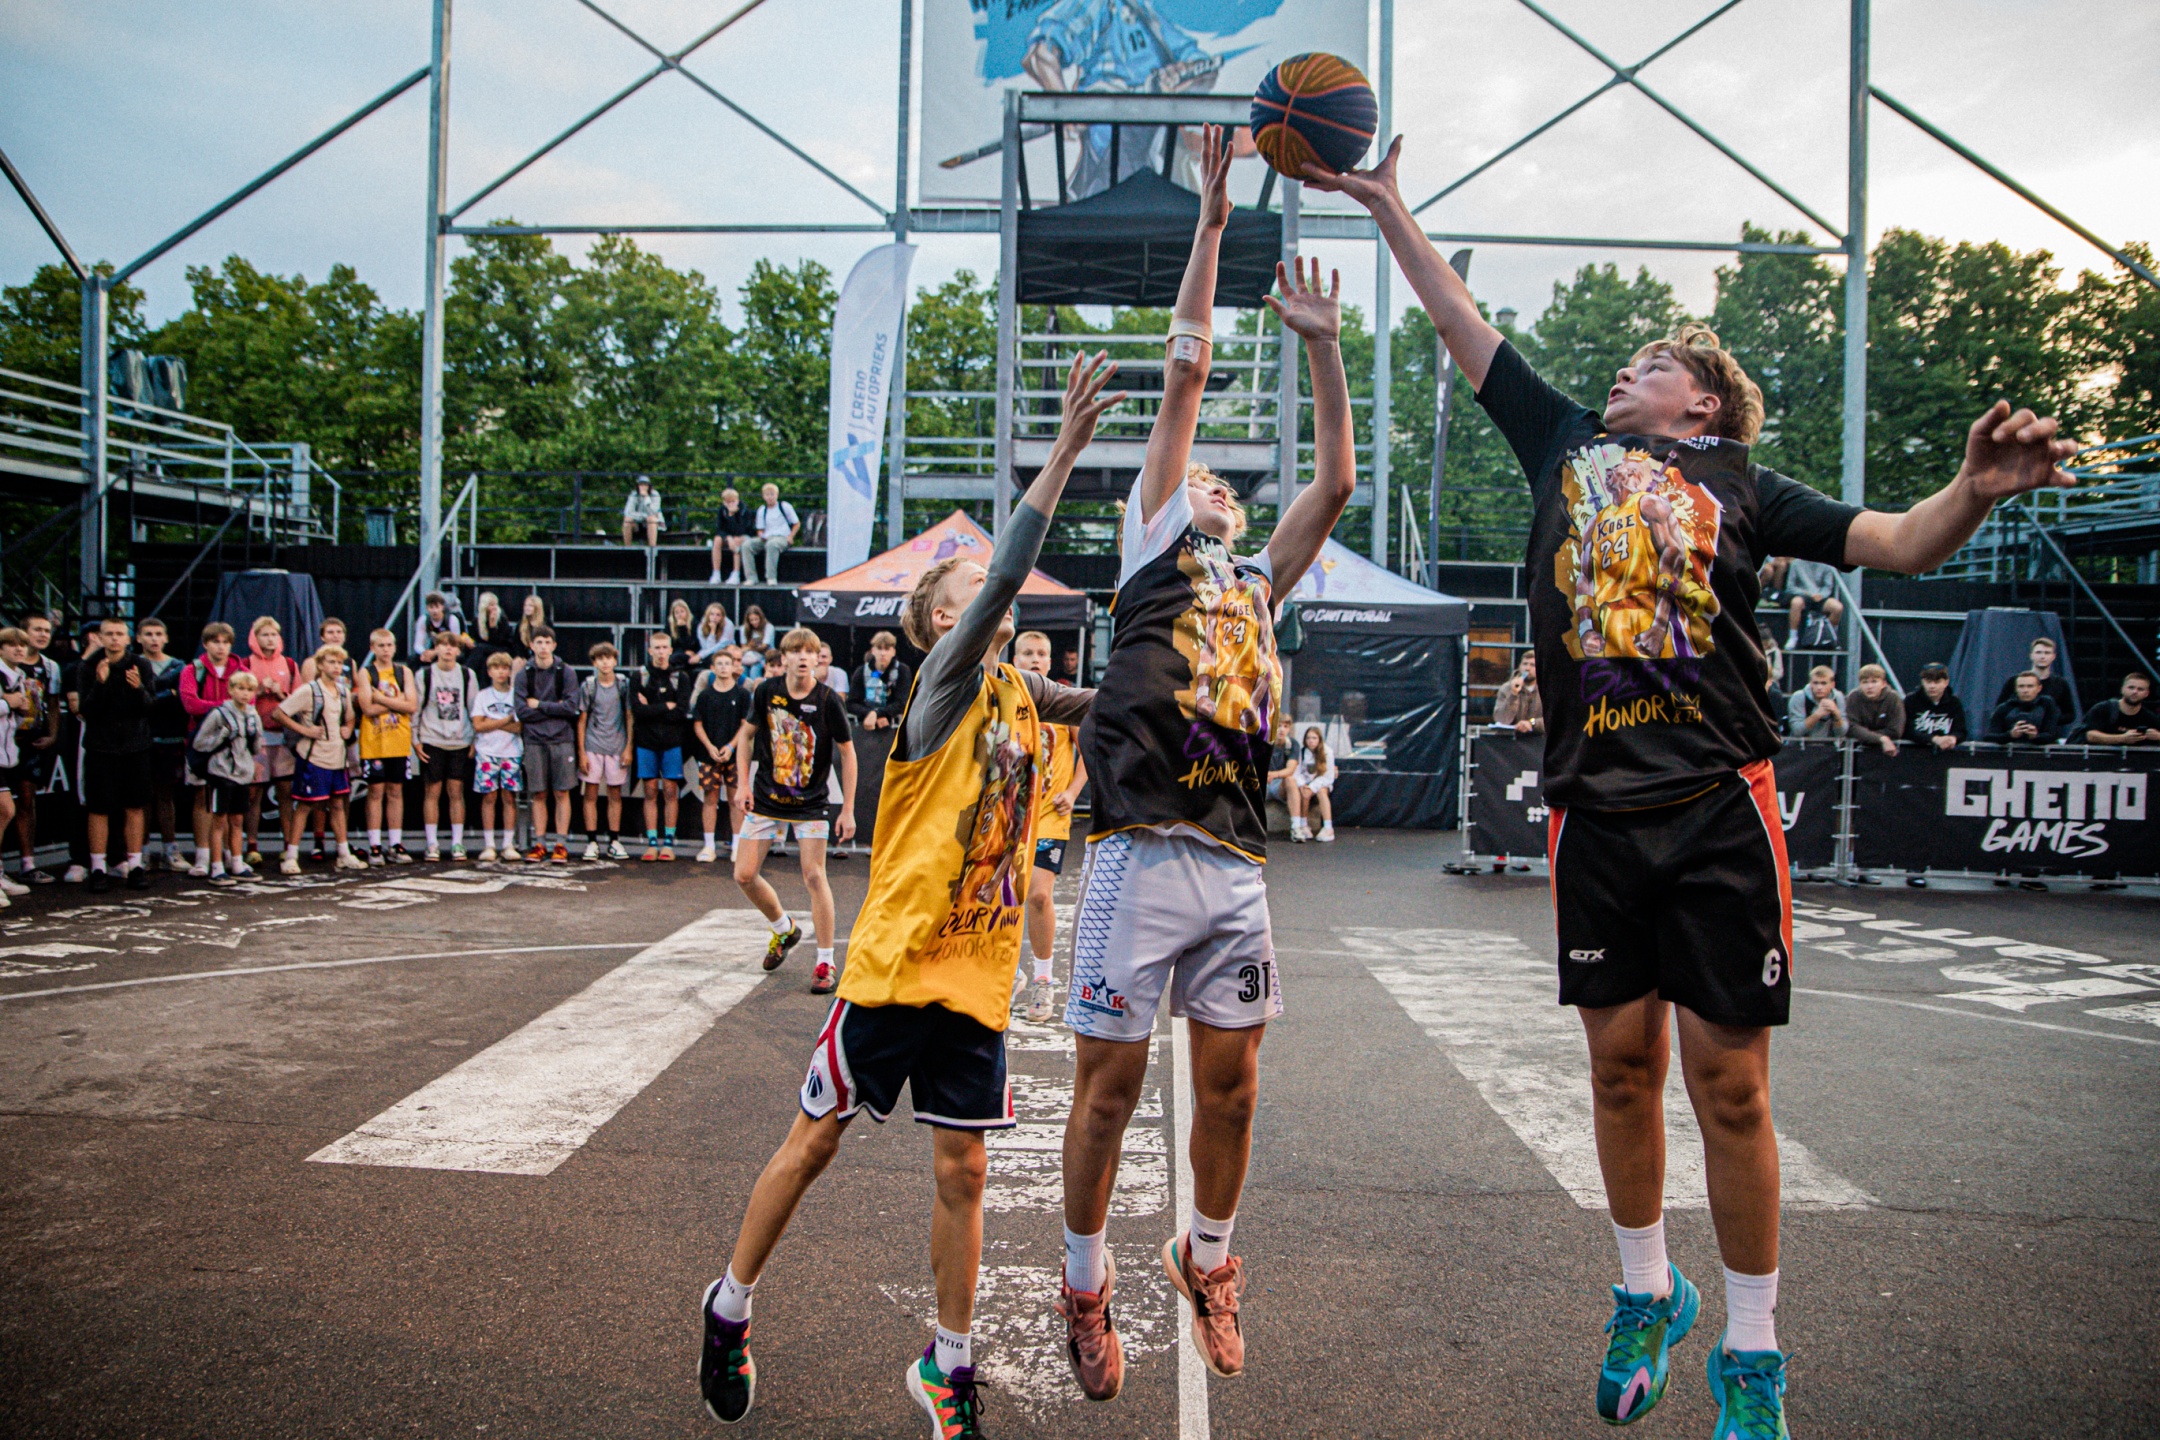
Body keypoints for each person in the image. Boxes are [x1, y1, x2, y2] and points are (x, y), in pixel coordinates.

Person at [1311, 126, 2078, 1436]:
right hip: (1597, 814)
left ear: (1703, 405)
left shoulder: (1747, 487)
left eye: (1654, 361)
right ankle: (1645, 1291)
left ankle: (1755, 1352)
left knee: (1730, 1085)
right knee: (1620, 1068)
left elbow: (1899, 542)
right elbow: (1456, 323)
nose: (1626, 367)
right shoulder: (1561, 442)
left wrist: (1972, 488)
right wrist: (1385, 203)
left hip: (1720, 805)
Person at [694, 350, 1113, 1436]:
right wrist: (1066, 451)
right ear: (940, 619)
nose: (986, 586)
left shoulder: (1019, 689)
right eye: (966, 585)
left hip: (971, 976)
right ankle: (729, 1304)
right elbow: (1009, 577)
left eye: (980, 578)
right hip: (894, 968)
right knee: (815, 1143)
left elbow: (1108, 699)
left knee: (965, 1168)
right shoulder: (942, 682)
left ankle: (949, 1365)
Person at [1055, 129, 1354, 1401]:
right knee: (1110, 1091)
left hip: (1232, 855)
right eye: (1207, 482)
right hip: (1138, 845)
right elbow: (1184, 371)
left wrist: (1324, 346)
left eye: (1230, 486)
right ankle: (1083, 1281)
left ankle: (1208, 1257)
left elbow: (1335, 481)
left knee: (1231, 1088)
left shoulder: (1257, 581)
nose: (1218, 488)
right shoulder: (1150, 544)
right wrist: (1216, 225)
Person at [729, 627, 857, 993]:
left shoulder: (828, 699)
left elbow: (848, 754)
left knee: (814, 876)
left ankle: (825, 962)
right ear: (782, 658)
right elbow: (746, 736)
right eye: (796, 652)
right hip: (766, 797)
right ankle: (785, 930)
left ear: (818, 658)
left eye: (809, 652)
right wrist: (742, 784)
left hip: (810, 803)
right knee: (744, 875)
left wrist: (848, 808)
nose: (803, 657)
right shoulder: (766, 692)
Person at [1013, 629, 1087, 1023]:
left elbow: (1089, 750)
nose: (1035, 659)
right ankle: (1011, 974)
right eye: (1028, 653)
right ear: (1015, 659)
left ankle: (1044, 980)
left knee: (1039, 895)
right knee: (1002, 896)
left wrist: (1073, 792)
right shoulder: (1006, 698)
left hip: (1050, 815)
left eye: (1042, 653)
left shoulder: (1062, 699)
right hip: (1011, 815)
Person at [74, 617, 156, 893]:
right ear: (100, 637)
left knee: (135, 806)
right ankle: (98, 867)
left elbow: (150, 706)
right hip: (101, 747)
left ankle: (135, 865)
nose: (114, 639)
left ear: (128, 638)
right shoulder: (88, 666)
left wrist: (138, 688)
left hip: (135, 746)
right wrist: (100, 683)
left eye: (119, 634)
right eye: (108, 634)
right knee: (98, 808)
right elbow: (85, 710)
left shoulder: (140, 664)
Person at [276, 643, 364, 874]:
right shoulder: (309, 690)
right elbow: (279, 713)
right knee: (305, 805)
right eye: (331, 662)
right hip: (313, 757)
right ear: (320, 665)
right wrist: (304, 730)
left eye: (339, 663)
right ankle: (291, 856)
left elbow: (350, 718)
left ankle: (343, 854)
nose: (336, 667)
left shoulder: (343, 691)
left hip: (338, 758)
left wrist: (348, 728)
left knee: (337, 804)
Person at [187, 668, 263, 885]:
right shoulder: (219, 714)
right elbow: (199, 743)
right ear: (230, 690)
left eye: (249, 690)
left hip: (243, 773)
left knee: (237, 820)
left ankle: (237, 863)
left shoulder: (253, 715)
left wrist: (254, 737)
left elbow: (256, 747)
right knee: (219, 820)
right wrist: (222, 736)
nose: (245, 693)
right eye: (240, 688)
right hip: (221, 773)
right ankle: (216, 867)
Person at [513, 625, 582, 862]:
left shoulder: (567, 672)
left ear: (554, 645)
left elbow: (571, 708)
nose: (543, 647)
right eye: (539, 642)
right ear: (531, 645)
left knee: (562, 792)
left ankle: (561, 844)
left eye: (547, 642)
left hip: (562, 739)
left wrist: (539, 705)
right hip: (534, 740)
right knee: (539, 793)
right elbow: (522, 712)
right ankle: (540, 843)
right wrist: (555, 708)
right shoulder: (523, 674)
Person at [178, 623, 241, 879]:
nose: (220, 647)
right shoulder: (192, 670)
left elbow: (248, 704)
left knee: (226, 803)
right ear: (205, 644)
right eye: (215, 642)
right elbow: (191, 704)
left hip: (232, 748)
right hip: (201, 745)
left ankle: (227, 855)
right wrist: (225, 706)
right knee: (202, 799)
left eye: (225, 642)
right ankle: (203, 857)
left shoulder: (241, 671)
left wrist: (216, 707)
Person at [354, 628, 419, 865]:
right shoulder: (366, 673)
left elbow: (411, 706)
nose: (386, 650)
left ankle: (395, 843)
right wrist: (396, 702)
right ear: (373, 648)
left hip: (398, 741)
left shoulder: (403, 672)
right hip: (375, 742)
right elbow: (367, 708)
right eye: (381, 646)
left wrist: (381, 698)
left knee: (395, 792)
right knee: (375, 792)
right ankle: (374, 845)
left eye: (389, 645)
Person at [243, 617, 304, 866]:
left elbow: (300, 700)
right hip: (256, 737)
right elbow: (235, 697)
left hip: (283, 737)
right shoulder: (246, 664)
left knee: (286, 793)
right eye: (264, 635)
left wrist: (282, 694)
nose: (269, 639)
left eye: (273, 635)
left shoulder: (289, 664)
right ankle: (252, 846)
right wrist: (257, 691)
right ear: (255, 638)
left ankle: (288, 846)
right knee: (253, 794)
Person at [631, 631, 696, 859]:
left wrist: (651, 708)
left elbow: (681, 712)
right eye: (656, 648)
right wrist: (665, 706)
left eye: (664, 648)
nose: (660, 652)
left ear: (670, 650)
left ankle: (668, 843)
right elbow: (637, 711)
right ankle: (651, 843)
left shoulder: (681, 678)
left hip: (671, 742)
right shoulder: (639, 676)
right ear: (650, 650)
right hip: (646, 742)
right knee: (649, 791)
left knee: (670, 791)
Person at [8, 613, 62, 884]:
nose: (42, 635)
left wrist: (52, 735)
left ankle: (28, 864)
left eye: (47, 630)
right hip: (6, 740)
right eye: (37, 630)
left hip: (32, 742)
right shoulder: (7, 664)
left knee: (27, 801)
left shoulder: (50, 667)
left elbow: (53, 703)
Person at [415, 634, 479, 861]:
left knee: (456, 791)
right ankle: (432, 843)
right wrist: (415, 740)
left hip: (460, 740)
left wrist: (475, 740)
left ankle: (457, 843)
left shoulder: (467, 675)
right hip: (432, 739)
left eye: (453, 646)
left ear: (459, 651)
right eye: (443, 645)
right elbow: (416, 710)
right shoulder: (424, 675)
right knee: (432, 791)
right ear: (436, 648)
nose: (448, 650)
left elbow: (474, 709)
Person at [578, 642, 636, 861]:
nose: (605, 662)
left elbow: (629, 716)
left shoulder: (623, 685)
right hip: (593, 746)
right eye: (600, 659)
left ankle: (614, 840)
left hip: (617, 747)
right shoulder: (589, 686)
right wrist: (582, 752)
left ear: (615, 660)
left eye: (608, 658)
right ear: (594, 662)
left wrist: (628, 747)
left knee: (615, 794)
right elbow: (582, 720)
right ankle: (592, 842)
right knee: (590, 794)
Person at [692, 648, 751, 863]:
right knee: (710, 799)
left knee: (736, 800)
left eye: (728, 663)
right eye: (720, 664)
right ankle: (709, 846)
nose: (724, 667)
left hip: (735, 757)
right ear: (712, 668)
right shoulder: (705, 695)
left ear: (734, 666)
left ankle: (737, 846)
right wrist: (710, 747)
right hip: (709, 756)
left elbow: (745, 725)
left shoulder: (742, 694)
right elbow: (697, 724)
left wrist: (731, 747)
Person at [137, 618, 186, 869]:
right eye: (148, 634)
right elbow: (137, 702)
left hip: (170, 739)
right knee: (142, 798)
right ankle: (141, 852)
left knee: (165, 796)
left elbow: (180, 700)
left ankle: (171, 850)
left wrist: (151, 694)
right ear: (138, 638)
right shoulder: (132, 664)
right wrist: (166, 694)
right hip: (140, 740)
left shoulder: (178, 666)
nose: (154, 639)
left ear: (166, 638)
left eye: (158, 634)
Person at [472, 652, 524, 861]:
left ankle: (508, 844)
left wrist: (491, 722)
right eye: (496, 668)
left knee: (509, 797)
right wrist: (506, 720)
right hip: (487, 752)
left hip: (511, 752)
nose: (501, 672)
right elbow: (478, 725)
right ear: (489, 671)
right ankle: (489, 844)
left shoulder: (516, 696)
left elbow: (519, 727)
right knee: (489, 797)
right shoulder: (483, 696)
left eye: (505, 668)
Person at [0, 629, 35, 903]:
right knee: (6, 809)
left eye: (22, 645)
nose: (18, 649)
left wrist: (22, 709)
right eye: (11, 645)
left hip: (7, 757)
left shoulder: (20, 676)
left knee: (5, 811)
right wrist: (6, 703)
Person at [1994, 636, 2077, 741]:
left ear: (2053, 656)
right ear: (2031, 655)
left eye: (2047, 653)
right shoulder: (2014, 681)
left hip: (2046, 739)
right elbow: (1999, 709)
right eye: (2038, 652)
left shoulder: (2060, 684)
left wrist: (2046, 720)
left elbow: (2070, 714)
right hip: (2015, 737)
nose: (2042, 656)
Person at [848, 630, 911, 732]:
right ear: (873, 650)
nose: (882, 653)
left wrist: (878, 714)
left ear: (893, 652)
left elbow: (902, 703)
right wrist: (870, 713)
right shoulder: (862, 671)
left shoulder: (902, 670)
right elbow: (851, 703)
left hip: (894, 725)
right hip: (866, 725)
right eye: (879, 648)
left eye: (887, 649)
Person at [1285, 724, 1337, 843]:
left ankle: (1328, 828)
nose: (1311, 741)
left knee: (1321, 792)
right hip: (1306, 783)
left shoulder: (1327, 752)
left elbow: (1328, 777)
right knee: (1303, 792)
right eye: (1308, 738)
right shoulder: (1302, 752)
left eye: (1314, 738)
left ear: (1319, 739)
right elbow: (1297, 772)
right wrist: (1303, 785)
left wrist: (1313, 787)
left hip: (1322, 783)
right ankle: (1303, 825)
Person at [1778, 556, 1843, 649]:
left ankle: (1827, 636)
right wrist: (1807, 594)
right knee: (1796, 602)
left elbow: (1828, 586)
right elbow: (1790, 587)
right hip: (1802, 595)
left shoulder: (1827, 564)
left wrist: (1821, 595)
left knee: (1837, 607)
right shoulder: (1796, 563)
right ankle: (1793, 637)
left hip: (1819, 596)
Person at [2078, 672, 2160, 745]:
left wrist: (2158, 736)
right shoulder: (2103, 709)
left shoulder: (2150, 718)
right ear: (2122, 689)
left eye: (2140, 689)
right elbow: (2089, 735)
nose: (2135, 692)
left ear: (2147, 693)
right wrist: (2122, 738)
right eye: (2131, 687)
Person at [1843, 663, 1906, 757]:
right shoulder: (1853, 697)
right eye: (1865, 682)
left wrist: (1866, 736)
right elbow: (1852, 727)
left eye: (1874, 682)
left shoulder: (1893, 698)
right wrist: (1881, 739)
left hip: (1889, 750)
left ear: (1883, 683)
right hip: (1858, 750)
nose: (1869, 686)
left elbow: (1895, 730)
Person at [1903, 662, 1966, 750]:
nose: (1932, 686)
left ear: (1946, 682)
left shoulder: (1954, 703)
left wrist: (1953, 738)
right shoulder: (1911, 701)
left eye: (1937, 682)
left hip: (1945, 753)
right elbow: (1907, 730)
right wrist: (1933, 739)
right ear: (1922, 682)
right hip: (1915, 752)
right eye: (1928, 682)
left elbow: (1961, 731)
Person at [744, 483, 799, 585]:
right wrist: (761, 536)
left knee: (772, 545)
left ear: (776, 495)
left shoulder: (784, 506)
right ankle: (751, 577)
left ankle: (771, 577)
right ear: (763, 496)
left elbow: (796, 523)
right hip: (767, 537)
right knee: (747, 545)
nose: (770, 497)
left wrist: (791, 536)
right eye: (767, 495)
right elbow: (760, 529)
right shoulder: (762, 510)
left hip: (782, 537)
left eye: (772, 494)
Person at [1987, 672, 2062, 744]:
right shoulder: (2004, 708)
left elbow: (2053, 734)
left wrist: (2036, 736)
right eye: (2021, 686)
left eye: (2030, 686)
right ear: (2015, 688)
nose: (2025, 690)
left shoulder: (2047, 705)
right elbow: (1989, 737)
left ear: (2039, 688)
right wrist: (2010, 735)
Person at [410, 592, 472, 662]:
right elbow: (418, 644)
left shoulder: (452, 619)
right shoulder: (423, 620)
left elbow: (455, 643)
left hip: (450, 650)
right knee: (413, 659)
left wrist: (436, 652)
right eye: (431, 607)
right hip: (434, 649)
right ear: (427, 608)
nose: (434, 611)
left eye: (437, 607)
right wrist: (425, 653)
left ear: (442, 607)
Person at [711, 487, 756, 583]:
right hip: (729, 537)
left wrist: (732, 515)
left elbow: (741, 530)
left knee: (737, 541)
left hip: (744, 536)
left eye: (733, 501)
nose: (731, 504)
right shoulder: (722, 510)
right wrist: (728, 537)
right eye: (728, 502)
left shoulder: (744, 510)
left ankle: (736, 573)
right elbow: (719, 529)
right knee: (717, 540)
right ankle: (716, 573)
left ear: (737, 500)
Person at [1788, 665, 1846, 738]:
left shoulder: (1838, 697)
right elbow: (1797, 731)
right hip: (1802, 744)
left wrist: (1836, 713)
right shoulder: (1799, 697)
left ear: (1832, 684)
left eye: (1824, 683)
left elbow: (1842, 733)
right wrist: (1817, 715)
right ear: (1810, 683)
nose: (1819, 687)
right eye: (1815, 683)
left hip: (1830, 743)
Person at [467, 591, 517, 674]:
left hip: (502, 648)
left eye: (496, 604)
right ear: (484, 606)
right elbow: (475, 638)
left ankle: (467, 672)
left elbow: (499, 641)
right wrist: (470, 642)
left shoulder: (502, 620)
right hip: (485, 650)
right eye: (491, 605)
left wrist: (492, 627)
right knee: (483, 659)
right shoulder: (476, 621)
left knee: (480, 648)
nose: (494, 607)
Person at [1494, 651, 1544, 733]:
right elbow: (1501, 720)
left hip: (1539, 737)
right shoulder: (1506, 688)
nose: (1527, 668)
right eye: (1525, 664)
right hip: (1511, 737)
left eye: (1533, 665)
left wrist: (1532, 723)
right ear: (1519, 666)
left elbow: (1556, 719)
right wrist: (1513, 695)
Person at [623, 474, 665, 547]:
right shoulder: (634, 495)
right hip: (638, 523)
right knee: (627, 520)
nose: (643, 487)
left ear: (649, 486)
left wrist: (646, 497)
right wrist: (644, 517)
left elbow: (653, 512)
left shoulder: (655, 494)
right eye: (641, 485)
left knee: (651, 519)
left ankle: (652, 549)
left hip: (655, 525)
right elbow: (628, 512)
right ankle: (628, 549)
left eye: (645, 485)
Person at [665, 598, 700, 669]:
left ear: (687, 612)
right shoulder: (670, 624)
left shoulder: (694, 623)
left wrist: (683, 629)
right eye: (677, 613)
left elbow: (693, 643)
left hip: (692, 652)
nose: (680, 615)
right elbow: (671, 644)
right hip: (676, 653)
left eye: (682, 611)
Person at [515, 595, 548, 661]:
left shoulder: (546, 624)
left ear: (537, 608)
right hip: (524, 657)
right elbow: (516, 643)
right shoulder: (520, 624)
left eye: (530, 606)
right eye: (525, 605)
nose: (527, 608)